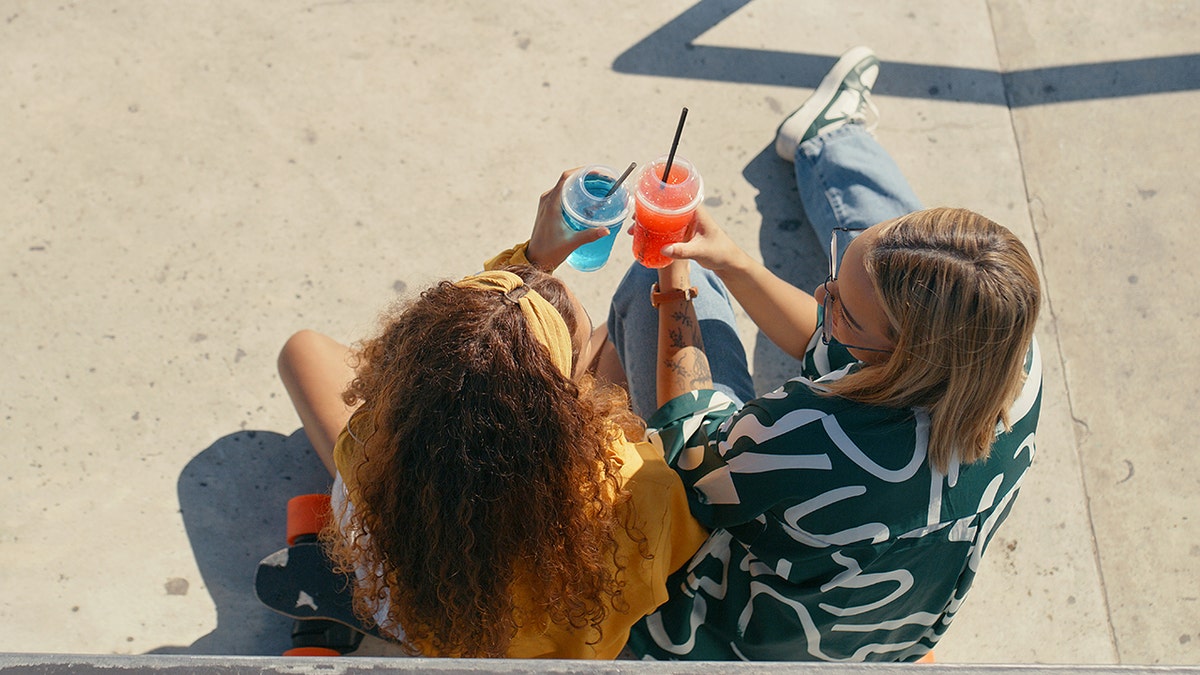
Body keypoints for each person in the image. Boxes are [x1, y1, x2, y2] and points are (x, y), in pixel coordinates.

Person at [604, 46, 1044, 661]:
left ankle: (590, 424)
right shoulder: (1013, 363)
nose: (820, 290)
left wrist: (675, 285)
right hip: (888, 639)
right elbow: (837, 336)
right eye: (840, 265)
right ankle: (833, 138)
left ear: (898, 359)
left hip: (749, 642)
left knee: (647, 290)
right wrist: (734, 261)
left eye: (841, 307)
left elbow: (690, 453)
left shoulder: (811, 438)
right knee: (908, 266)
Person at [275, 179, 714, 659]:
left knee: (303, 351)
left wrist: (531, 260)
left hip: (421, 615)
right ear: (556, 404)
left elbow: (476, 346)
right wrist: (674, 286)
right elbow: (685, 532)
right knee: (619, 336)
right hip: (550, 649)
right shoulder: (632, 484)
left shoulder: (372, 434)